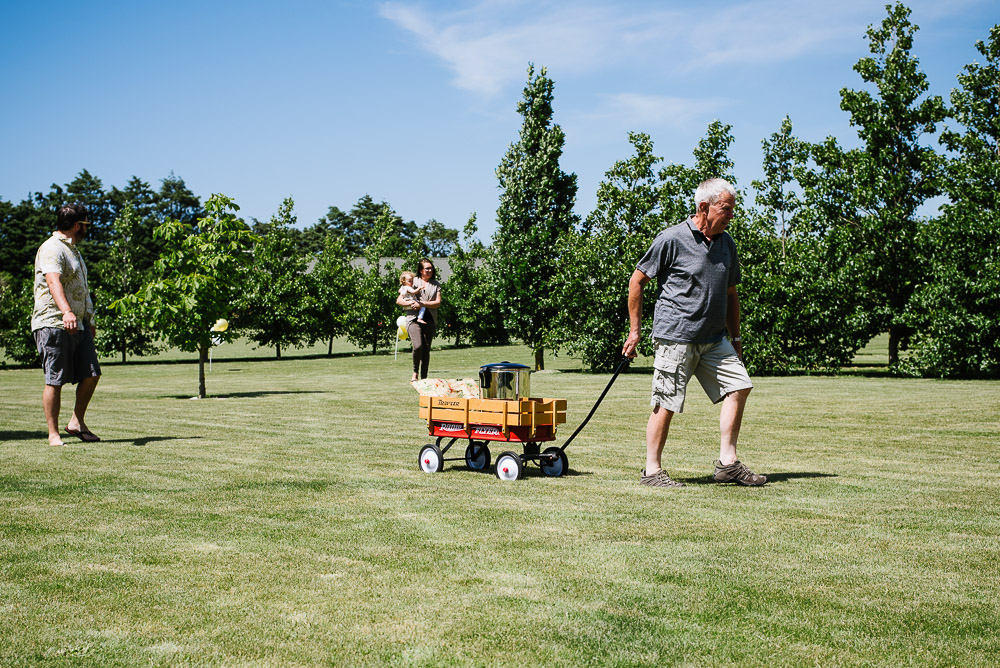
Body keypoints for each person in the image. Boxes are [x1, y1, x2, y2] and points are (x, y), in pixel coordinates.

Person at [621, 178, 765, 488]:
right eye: (725, 209)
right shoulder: (671, 239)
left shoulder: (727, 244)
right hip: (676, 337)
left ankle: (727, 464)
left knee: (740, 386)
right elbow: (637, 281)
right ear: (704, 207)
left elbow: (731, 294)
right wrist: (635, 331)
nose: (731, 215)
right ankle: (651, 472)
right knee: (666, 402)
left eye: (732, 209)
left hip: (714, 339)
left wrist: (736, 338)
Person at [31, 203, 102, 446]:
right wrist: (67, 312)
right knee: (55, 379)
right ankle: (53, 434)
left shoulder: (73, 250)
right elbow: (54, 282)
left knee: (92, 374)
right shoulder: (52, 248)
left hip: (78, 323)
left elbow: (82, 289)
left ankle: (76, 422)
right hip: (54, 321)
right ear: (77, 225)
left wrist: (88, 319)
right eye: (85, 225)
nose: (87, 229)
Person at [396, 258, 441, 381]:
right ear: (421, 270)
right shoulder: (412, 281)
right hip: (413, 319)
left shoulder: (436, 284)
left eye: (431, 268)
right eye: (427, 268)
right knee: (418, 346)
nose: (430, 270)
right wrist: (411, 304)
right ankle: (415, 372)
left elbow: (437, 303)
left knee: (426, 349)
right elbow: (399, 300)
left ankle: (424, 377)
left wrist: (422, 304)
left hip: (429, 320)